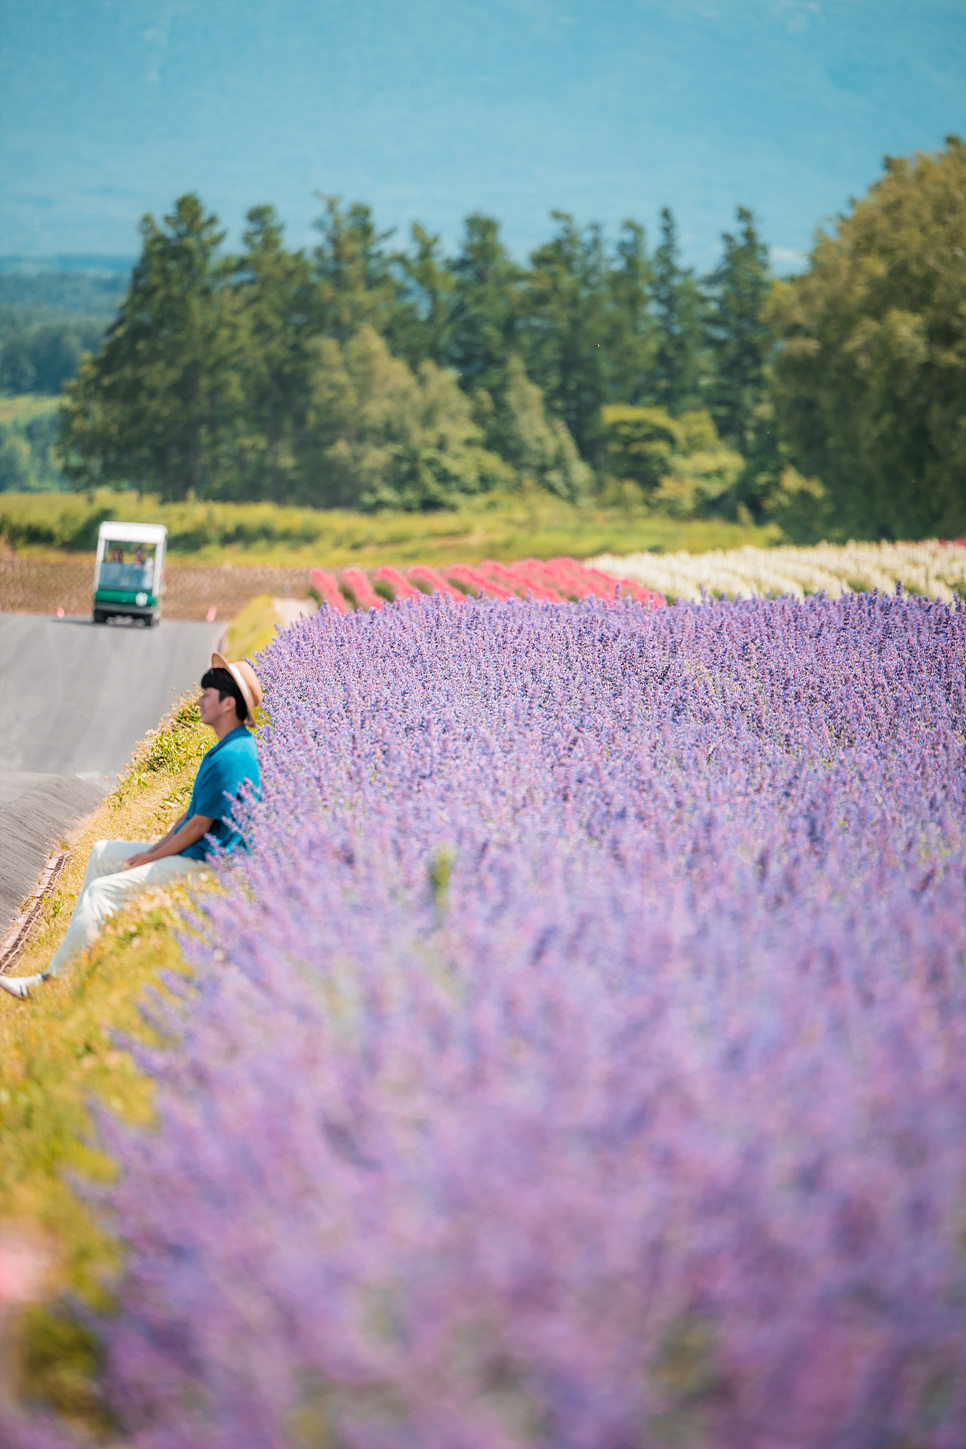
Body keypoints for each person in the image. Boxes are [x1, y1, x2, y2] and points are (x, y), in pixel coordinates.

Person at [0, 654, 262, 1001]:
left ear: (228, 703)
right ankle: (84, 946)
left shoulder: (234, 755)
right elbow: (187, 818)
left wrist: (152, 857)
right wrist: (152, 852)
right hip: (196, 854)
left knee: (101, 893)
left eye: (206, 694)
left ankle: (51, 985)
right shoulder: (227, 748)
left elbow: (199, 825)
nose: (199, 701)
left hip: (209, 867)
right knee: (102, 852)